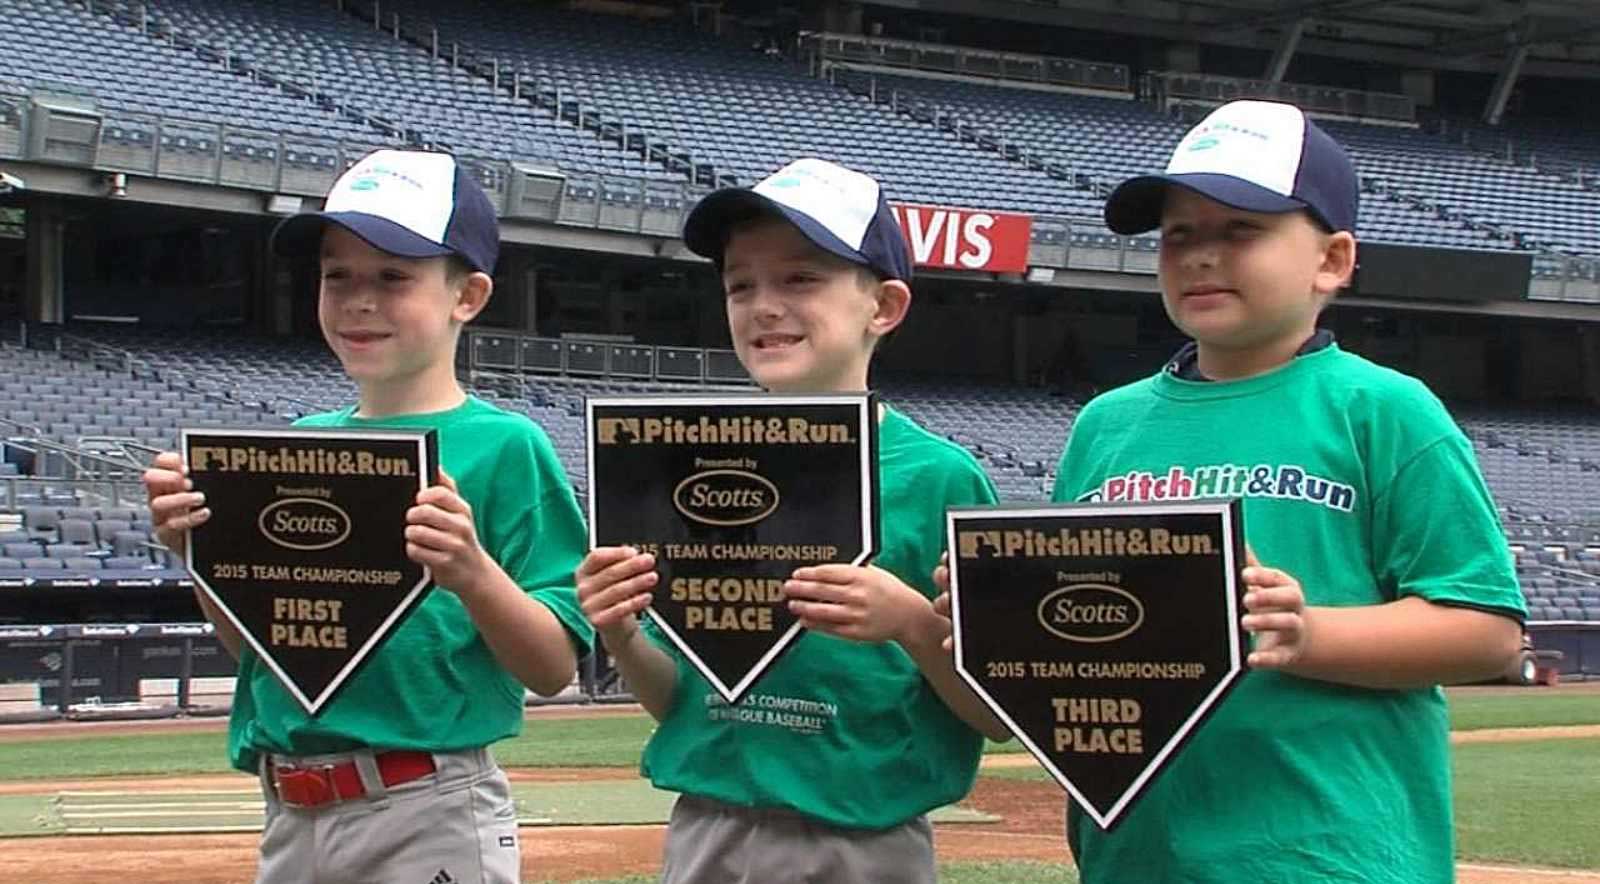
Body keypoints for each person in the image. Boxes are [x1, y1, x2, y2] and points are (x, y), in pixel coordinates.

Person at [939, 99, 1526, 882]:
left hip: (1327, 854)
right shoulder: (1107, 426)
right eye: (1178, 234)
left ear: (1333, 259)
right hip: (1138, 857)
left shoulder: (1384, 410)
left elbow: (1485, 633)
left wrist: (1309, 634)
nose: (1200, 256)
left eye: (1240, 229)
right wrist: (999, 628)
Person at [142, 148, 594, 884]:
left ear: (468, 296)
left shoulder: (508, 446)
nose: (359, 299)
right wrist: (199, 555)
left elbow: (551, 667)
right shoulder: (296, 443)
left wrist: (473, 573)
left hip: (429, 806)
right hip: (290, 812)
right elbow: (261, 648)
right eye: (337, 275)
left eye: (394, 277)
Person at [575, 157, 1009, 883]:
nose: (763, 304)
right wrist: (619, 631)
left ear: (885, 306)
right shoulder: (685, 470)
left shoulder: (938, 477)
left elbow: (996, 713)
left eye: (801, 279)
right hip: (705, 831)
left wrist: (910, 620)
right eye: (740, 284)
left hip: (861, 845)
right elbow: (681, 704)